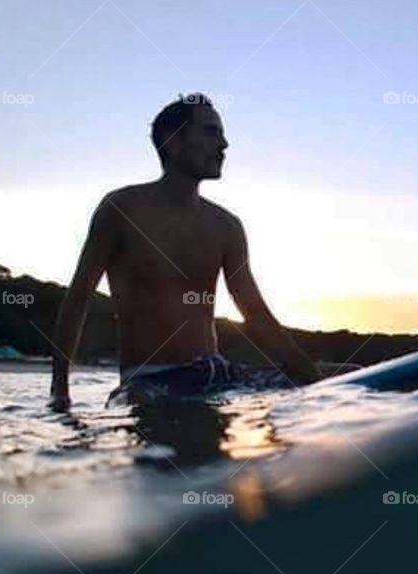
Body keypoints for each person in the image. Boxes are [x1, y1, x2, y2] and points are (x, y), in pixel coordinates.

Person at [48, 93, 322, 410]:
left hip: (219, 375)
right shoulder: (122, 209)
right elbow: (78, 300)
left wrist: (314, 381)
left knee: (355, 377)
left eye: (221, 133)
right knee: (161, 417)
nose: (224, 145)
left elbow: (256, 315)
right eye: (210, 132)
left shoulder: (226, 226)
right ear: (172, 141)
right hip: (151, 381)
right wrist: (60, 393)